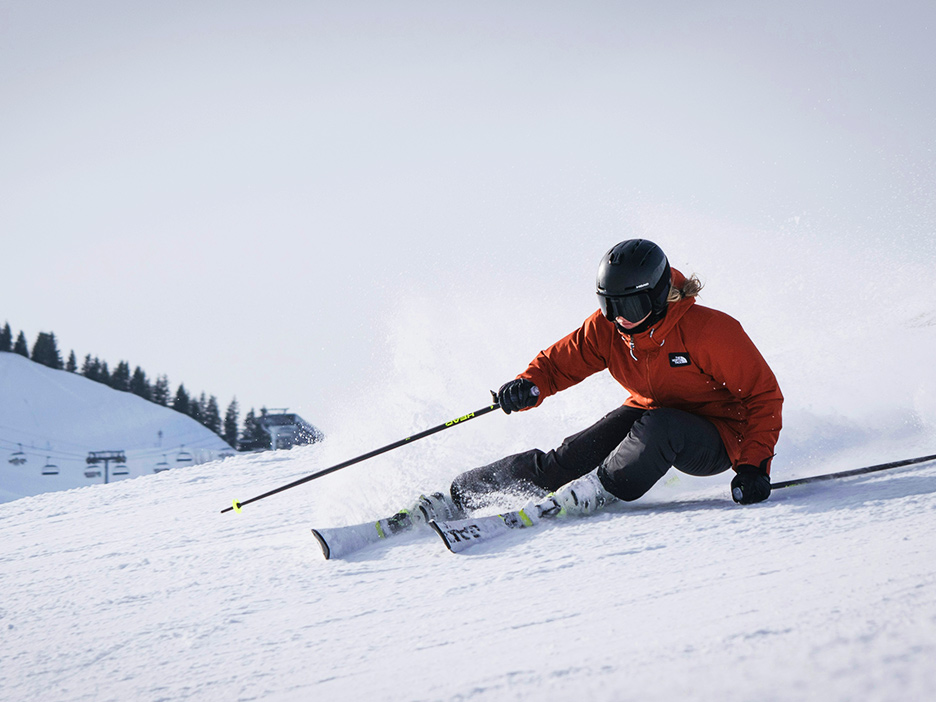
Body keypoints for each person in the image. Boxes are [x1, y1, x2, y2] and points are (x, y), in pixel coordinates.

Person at [417, 239, 783, 523]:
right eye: (611, 306)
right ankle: (462, 494)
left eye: (631, 307)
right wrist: (528, 384)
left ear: (656, 298)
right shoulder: (609, 330)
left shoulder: (711, 331)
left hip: (718, 436)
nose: (620, 318)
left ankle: (597, 489)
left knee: (662, 425)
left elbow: (763, 397)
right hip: (649, 413)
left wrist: (753, 467)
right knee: (567, 459)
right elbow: (559, 364)